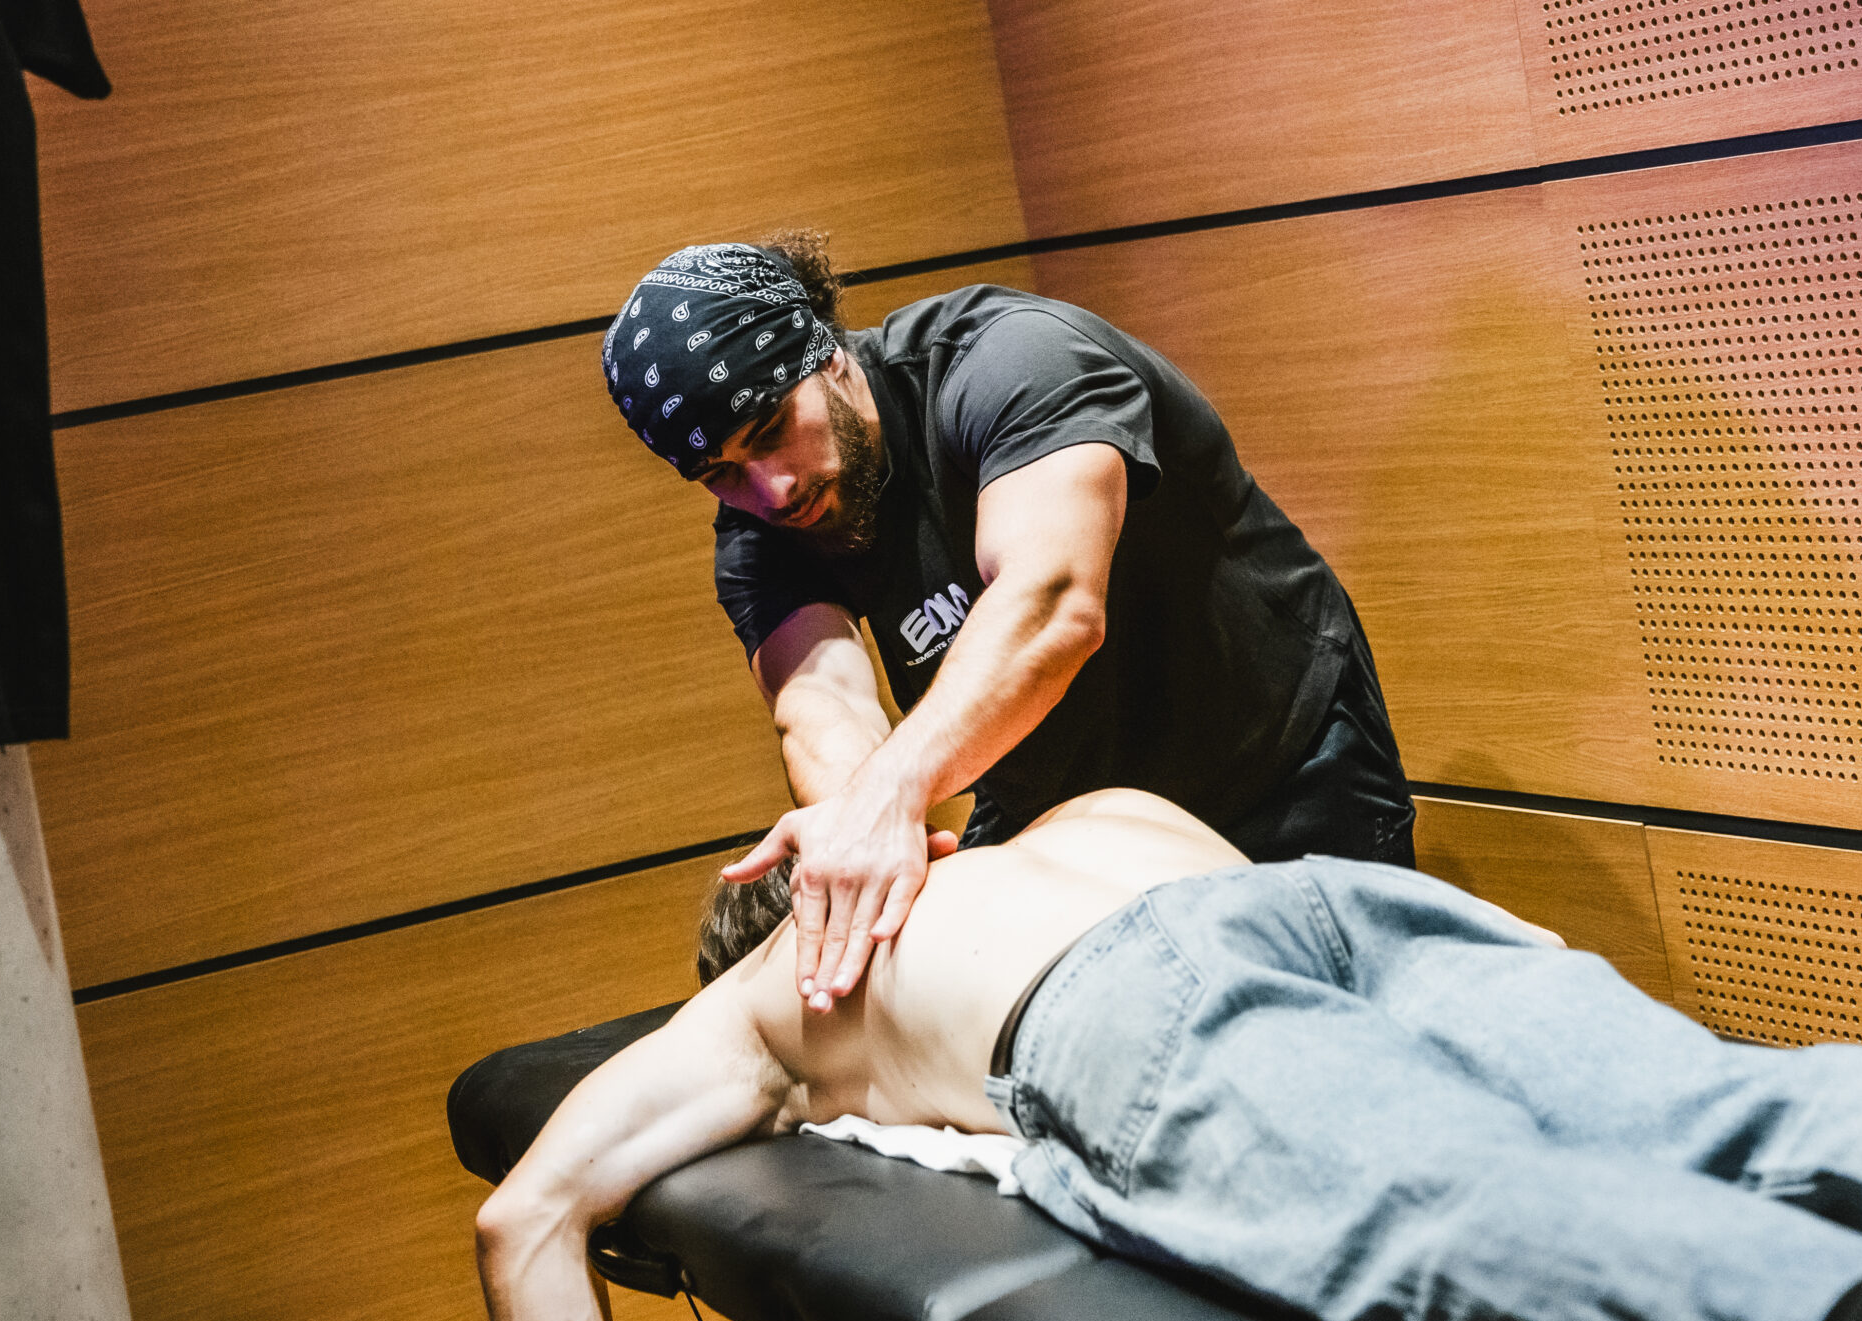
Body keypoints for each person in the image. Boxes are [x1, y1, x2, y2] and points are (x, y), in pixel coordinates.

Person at [474, 791, 1862, 1321]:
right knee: (1727, 1106)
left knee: (1470, 1205)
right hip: (1327, 898)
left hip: (1116, 994)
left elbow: (523, 1217)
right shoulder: (1082, 811)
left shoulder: (777, 982)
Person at [601, 237, 1410, 1011]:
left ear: (828, 355)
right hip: (1070, 816)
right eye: (721, 472)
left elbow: (1053, 603)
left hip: (1275, 761)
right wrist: (863, 831)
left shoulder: (1009, 360)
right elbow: (823, 710)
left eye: (773, 429)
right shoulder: (762, 531)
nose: (771, 489)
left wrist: (889, 793)